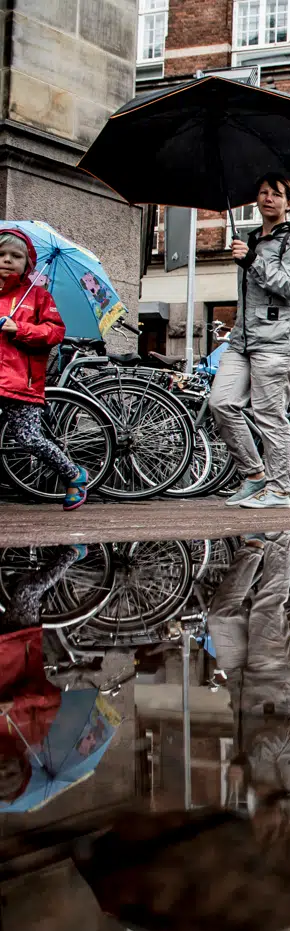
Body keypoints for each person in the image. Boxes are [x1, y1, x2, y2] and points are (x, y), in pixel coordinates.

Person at [212, 174, 290, 509]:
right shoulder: (251, 239)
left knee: (269, 415)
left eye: (276, 194)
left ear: (289, 202)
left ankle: (280, 490)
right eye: (262, 192)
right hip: (244, 338)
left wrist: (252, 261)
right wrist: (249, 255)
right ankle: (255, 476)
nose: (268, 198)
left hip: (279, 339)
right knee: (221, 403)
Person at [211, 532, 290, 806]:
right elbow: (285, 736)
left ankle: (253, 546)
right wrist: (248, 761)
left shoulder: (253, 791)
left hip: (243, 683)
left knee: (220, 617)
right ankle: (279, 536)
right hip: (276, 680)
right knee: (267, 607)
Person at [0, 228, 88, 509]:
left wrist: (20, 328)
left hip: (20, 382)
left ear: (28, 264)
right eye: (1, 254)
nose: (7, 260)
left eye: (16, 256)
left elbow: (54, 332)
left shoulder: (36, 296)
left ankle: (73, 475)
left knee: (28, 438)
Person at [0, 546, 83, 804]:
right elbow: (50, 698)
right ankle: (71, 554)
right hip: (18, 639)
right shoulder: (35, 734)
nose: (3, 768)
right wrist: (16, 702)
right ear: (23, 768)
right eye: (10, 773)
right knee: (27, 592)